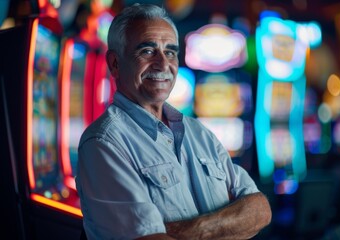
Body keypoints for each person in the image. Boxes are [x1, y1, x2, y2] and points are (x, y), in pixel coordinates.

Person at [75, 3, 272, 240]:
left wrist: (190, 231)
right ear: (115, 64)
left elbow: (260, 210)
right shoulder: (104, 143)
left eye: (170, 52)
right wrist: (230, 225)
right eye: (147, 51)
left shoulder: (198, 132)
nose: (163, 64)